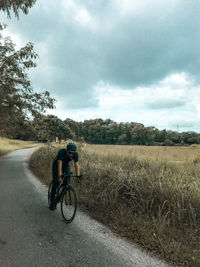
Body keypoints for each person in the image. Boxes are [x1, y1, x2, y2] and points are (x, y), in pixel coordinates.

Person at [49, 142, 80, 210]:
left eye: (73, 153)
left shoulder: (75, 154)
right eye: (70, 153)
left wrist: (78, 176)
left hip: (65, 165)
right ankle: (52, 201)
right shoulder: (61, 152)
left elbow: (76, 165)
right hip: (56, 165)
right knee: (56, 182)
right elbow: (59, 163)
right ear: (67, 150)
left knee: (67, 182)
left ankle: (60, 195)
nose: (71, 154)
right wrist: (59, 176)